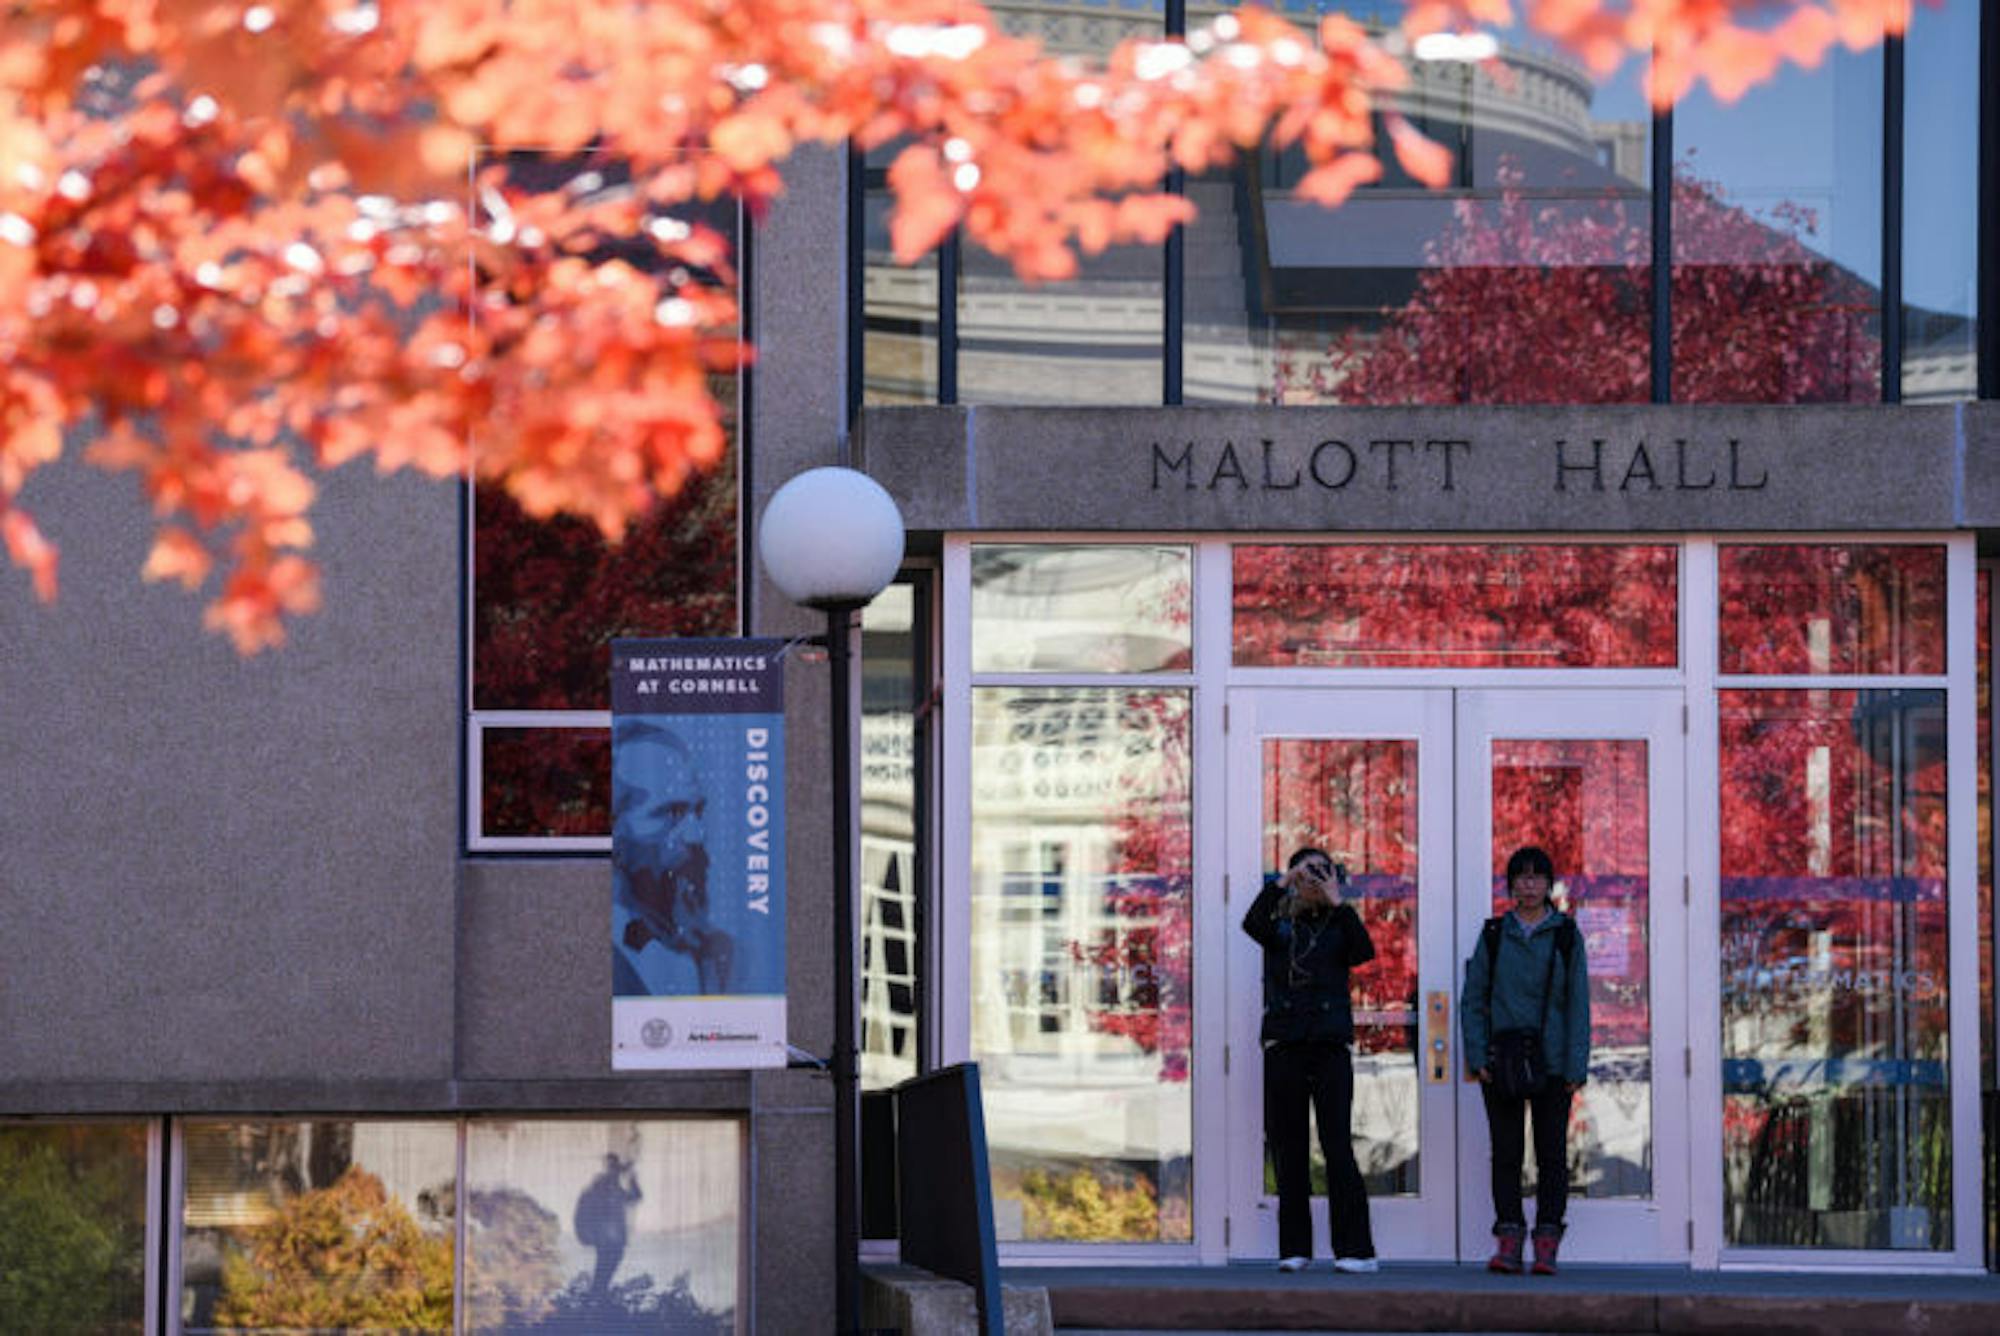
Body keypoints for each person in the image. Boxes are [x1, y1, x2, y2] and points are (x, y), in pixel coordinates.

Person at [1241, 846, 1379, 1273]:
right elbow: (1251, 923)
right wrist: (1283, 881)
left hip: (1329, 1046)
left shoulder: (1339, 922)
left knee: (1337, 1146)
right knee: (1289, 1148)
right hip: (1285, 1044)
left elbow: (1363, 952)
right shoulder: (1279, 925)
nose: (1311, 881)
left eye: (1320, 873)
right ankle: (1294, 1248)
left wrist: (1336, 898)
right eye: (1305, 873)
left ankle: (1356, 1251)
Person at [1460, 844, 1591, 1276]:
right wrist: (1477, 1056)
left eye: (1537, 877)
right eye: (1521, 877)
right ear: (1510, 884)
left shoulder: (1567, 935)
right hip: (1501, 1062)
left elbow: (1578, 1006)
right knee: (1506, 1154)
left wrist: (1576, 1067)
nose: (1529, 885)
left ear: (1548, 884)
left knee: (1551, 1155)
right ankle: (1509, 1242)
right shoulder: (1495, 935)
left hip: (1553, 1065)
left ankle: (1548, 1242)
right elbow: (1473, 999)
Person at [612, 721, 735, 996]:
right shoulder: (595, 953)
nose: (695, 835)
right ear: (615, 830)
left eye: (698, 811)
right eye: (671, 812)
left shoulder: (728, 955)